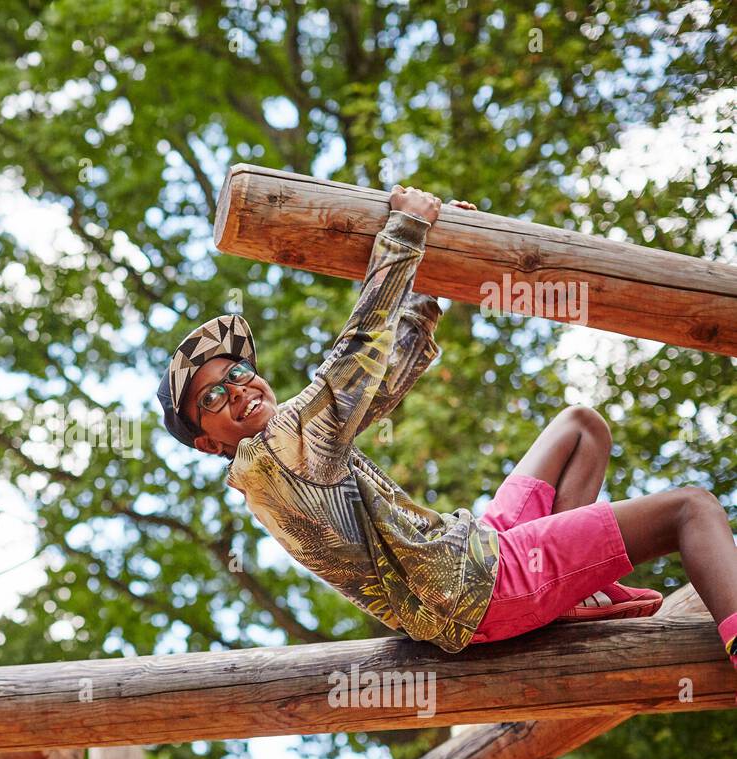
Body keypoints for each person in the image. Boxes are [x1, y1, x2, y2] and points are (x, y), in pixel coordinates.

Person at [155, 184, 737, 696]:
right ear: (209, 443)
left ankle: (572, 595)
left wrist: (430, 279)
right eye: (212, 398)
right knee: (692, 508)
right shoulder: (274, 454)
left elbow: (377, 385)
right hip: (482, 584)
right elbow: (354, 357)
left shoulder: (292, 454)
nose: (236, 390)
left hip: (472, 555)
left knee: (580, 427)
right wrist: (406, 230)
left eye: (236, 373)